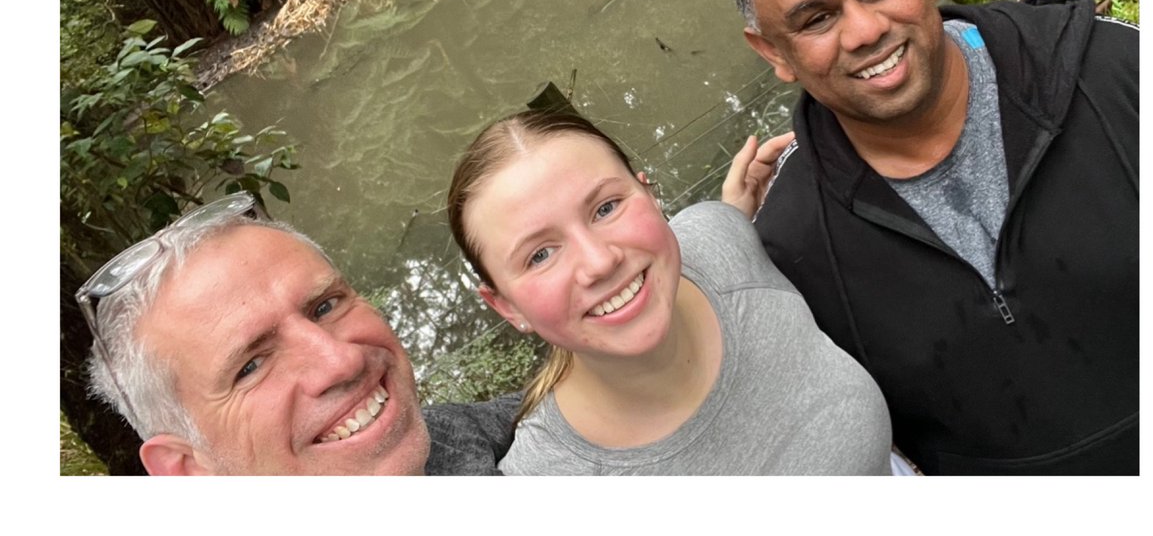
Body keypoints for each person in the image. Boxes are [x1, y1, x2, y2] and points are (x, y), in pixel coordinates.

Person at [720, 0, 1138, 474]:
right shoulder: (790, 252)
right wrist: (725, 242)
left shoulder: (1123, 73)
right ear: (773, 52)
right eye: (817, 19)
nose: (866, 31)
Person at [446, 109, 892, 474]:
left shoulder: (720, 237)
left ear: (650, 196)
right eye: (540, 255)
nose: (600, 262)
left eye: (606, 207)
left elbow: (711, 235)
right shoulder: (546, 484)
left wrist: (733, 213)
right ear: (505, 306)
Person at [75, 193, 519, 475]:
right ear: (189, 471)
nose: (340, 361)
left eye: (324, 307)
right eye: (250, 366)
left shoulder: (511, 432)